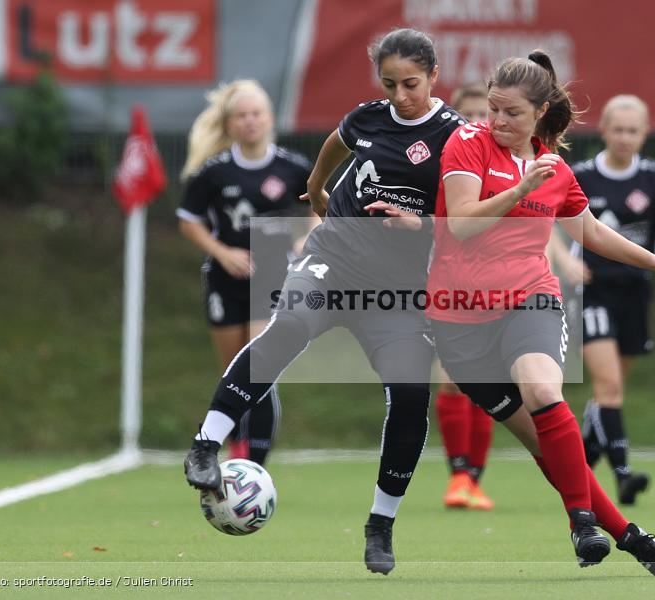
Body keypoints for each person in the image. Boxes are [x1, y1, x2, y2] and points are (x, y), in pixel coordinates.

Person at [182, 28, 465, 576]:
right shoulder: (368, 117)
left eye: (411, 83)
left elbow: (466, 222)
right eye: (389, 84)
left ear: (434, 75)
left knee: (410, 395)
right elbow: (337, 143)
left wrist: (420, 224)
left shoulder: (458, 139)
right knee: (284, 330)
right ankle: (205, 446)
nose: (401, 95)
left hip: (396, 290)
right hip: (334, 258)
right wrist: (316, 187)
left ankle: (380, 524)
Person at [426, 51, 655, 575]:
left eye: (512, 114)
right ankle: (629, 535)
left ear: (541, 112)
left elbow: (591, 232)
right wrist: (520, 188)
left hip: (530, 299)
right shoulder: (467, 143)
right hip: (459, 320)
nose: (498, 121)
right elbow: (460, 223)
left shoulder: (556, 168)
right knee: (545, 445)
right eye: (494, 110)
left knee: (545, 392)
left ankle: (580, 521)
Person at [565, 94, 655, 505]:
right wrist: (563, 264)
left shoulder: (654, 178)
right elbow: (548, 225)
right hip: (590, 292)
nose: (624, 137)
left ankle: (578, 464)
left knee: (611, 389)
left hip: (635, 293)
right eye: (617, 129)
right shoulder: (581, 174)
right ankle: (623, 476)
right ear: (603, 130)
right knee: (608, 385)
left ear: (644, 134)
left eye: (632, 130)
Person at [177, 79, 314, 466]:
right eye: (241, 115)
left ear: (269, 119)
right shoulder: (214, 172)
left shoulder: (293, 167)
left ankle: (253, 460)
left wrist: (308, 239)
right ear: (230, 124)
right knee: (232, 372)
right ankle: (237, 444)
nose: (250, 121)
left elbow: (317, 209)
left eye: (256, 114)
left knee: (260, 364)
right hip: (225, 277)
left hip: (272, 272)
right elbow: (189, 221)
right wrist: (222, 252)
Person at [434, 82, 496, 511]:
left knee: (489, 380)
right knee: (451, 375)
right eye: (467, 113)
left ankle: (474, 478)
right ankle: (458, 475)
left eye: (484, 113)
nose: (476, 121)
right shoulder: (445, 157)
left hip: (497, 278)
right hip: (448, 276)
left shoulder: (504, 159)